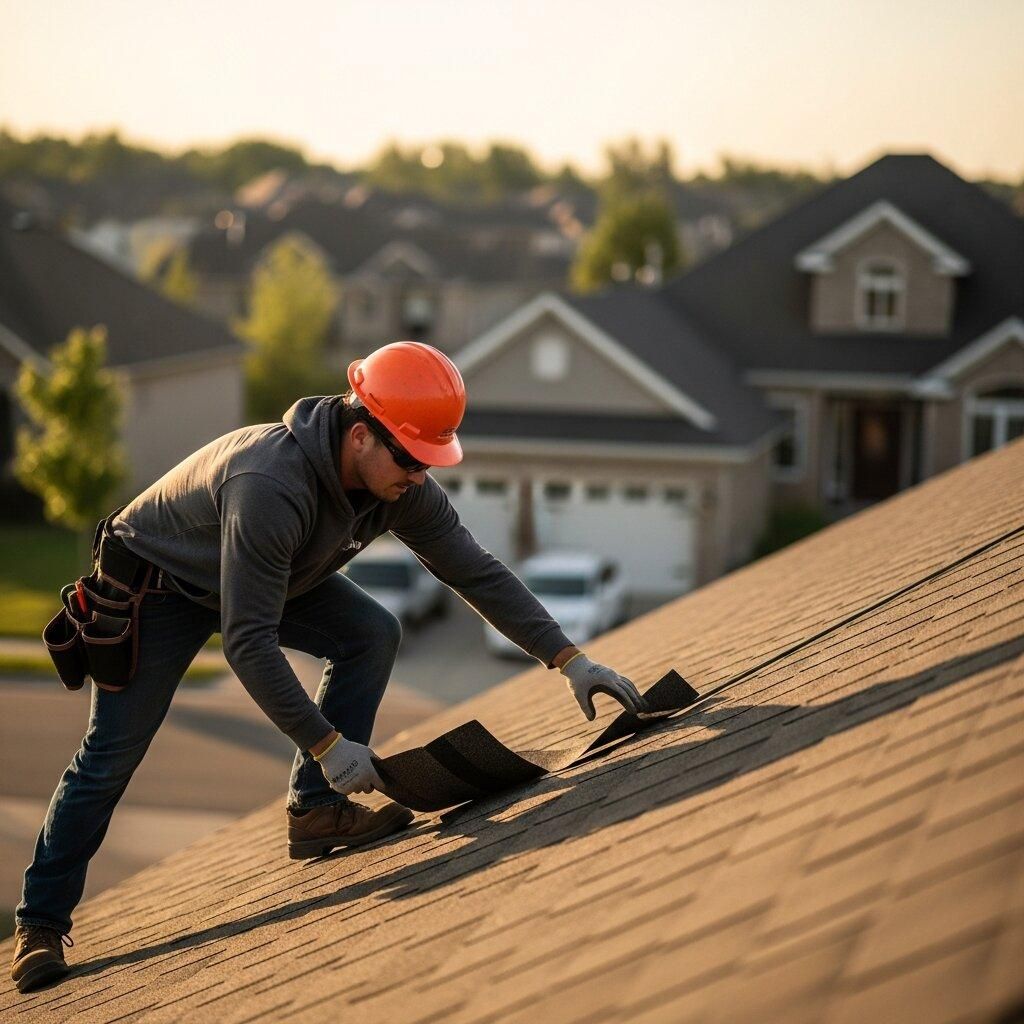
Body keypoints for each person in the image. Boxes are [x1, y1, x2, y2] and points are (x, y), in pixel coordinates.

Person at [10, 341, 645, 993]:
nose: (420, 476)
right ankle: (40, 924)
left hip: (267, 571)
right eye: (411, 460)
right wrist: (328, 745)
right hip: (161, 583)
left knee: (371, 632)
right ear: (363, 435)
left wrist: (569, 658)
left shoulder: (397, 482)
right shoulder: (269, 484)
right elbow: (249, 643)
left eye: (431, 461)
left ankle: (315, 814)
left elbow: (472, 568)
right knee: (112, 753)